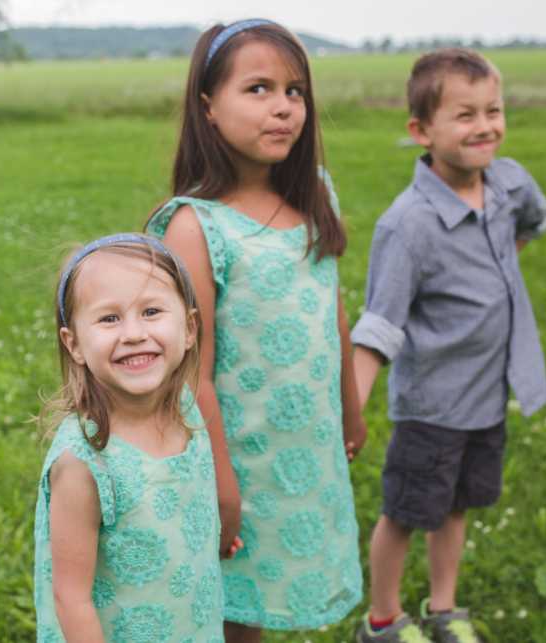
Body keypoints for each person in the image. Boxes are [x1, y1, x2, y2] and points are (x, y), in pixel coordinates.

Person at [145, 19, 366, 642]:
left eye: (295, 92)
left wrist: (350, 409)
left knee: (264, 600)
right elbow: (193, 370)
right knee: (230, 607)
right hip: (238, 454)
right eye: (259, 89)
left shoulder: (316, 194)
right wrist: (220, 480)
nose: (283, 109)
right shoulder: (194, 225)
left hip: (303, 447)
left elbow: (333, 313)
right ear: (209, 107)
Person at [351, 48, 546, 643]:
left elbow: (534, 222)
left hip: (486, 395)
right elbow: (379, 325)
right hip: (432, 406)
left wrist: (496, 272)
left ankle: (444, 608)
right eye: (465, 115)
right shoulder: (407, 225)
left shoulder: (509, 184)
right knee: (407, 512)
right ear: (421, 130)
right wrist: (351, 409)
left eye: (494, 109)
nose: (485, 125)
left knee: (457, 505)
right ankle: (383, 620)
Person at [33, 233, 238, 642]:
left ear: (190, 328)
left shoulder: (185, 407)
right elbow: (70, 598)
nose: (133, 333)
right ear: (73, 344)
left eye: (151, 311)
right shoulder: (84, 462)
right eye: (109, 318)